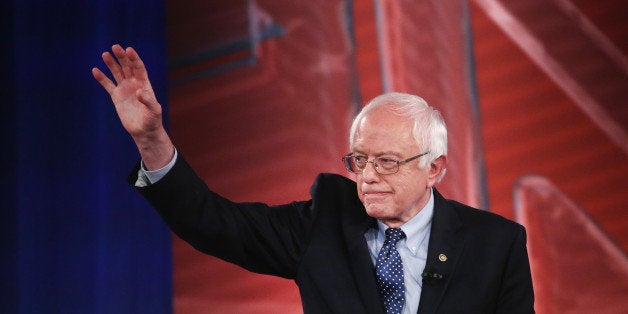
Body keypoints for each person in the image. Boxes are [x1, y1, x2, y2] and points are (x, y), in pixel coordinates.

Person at [93, 44, 534, 313]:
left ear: (434, 168)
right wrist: (151, 138)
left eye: (387, 161)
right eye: (359, 160)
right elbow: (211, 223)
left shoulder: (496, 244)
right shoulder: (323, 223)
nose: (368, 177)